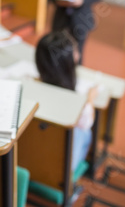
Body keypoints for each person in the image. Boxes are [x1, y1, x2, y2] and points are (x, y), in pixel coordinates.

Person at [35, 30, 96, 172]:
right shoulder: (80, 105)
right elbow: (87, 122)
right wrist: (91, 98)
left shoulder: (31, 89)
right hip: (60, 169)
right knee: (86, 132)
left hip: (30, 161)